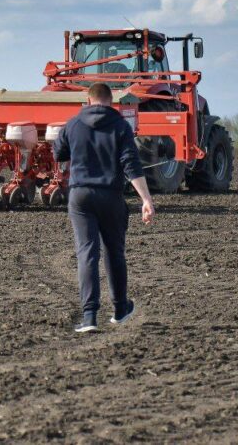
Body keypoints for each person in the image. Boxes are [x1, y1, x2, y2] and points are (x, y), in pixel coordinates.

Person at [53, 82, 156, 333]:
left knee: (87, 253)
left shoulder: (73, 124)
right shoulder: (121, 126)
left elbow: (59, 154)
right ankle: (120, 308)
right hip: (111, 195)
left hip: (80, 196)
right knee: (114, 252)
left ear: (88, 101)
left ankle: (89, 317)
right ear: (111, 101)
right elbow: (131, 164)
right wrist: (146, 199)